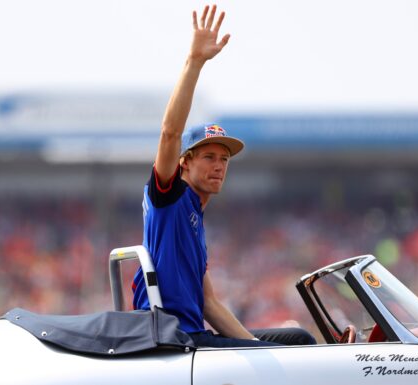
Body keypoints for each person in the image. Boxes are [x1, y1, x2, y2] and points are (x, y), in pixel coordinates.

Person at [132, 4, 315, 348]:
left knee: (298, 338)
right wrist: (195, 61)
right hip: (177, 341)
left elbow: (210, 305)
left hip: (195, 334)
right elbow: (170, 133)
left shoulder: (195, 218)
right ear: (185, 163)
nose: (218, 166)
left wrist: (261, 350)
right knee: (296, 351)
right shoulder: (169, 198)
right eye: (209, 157)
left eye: (224, 159)